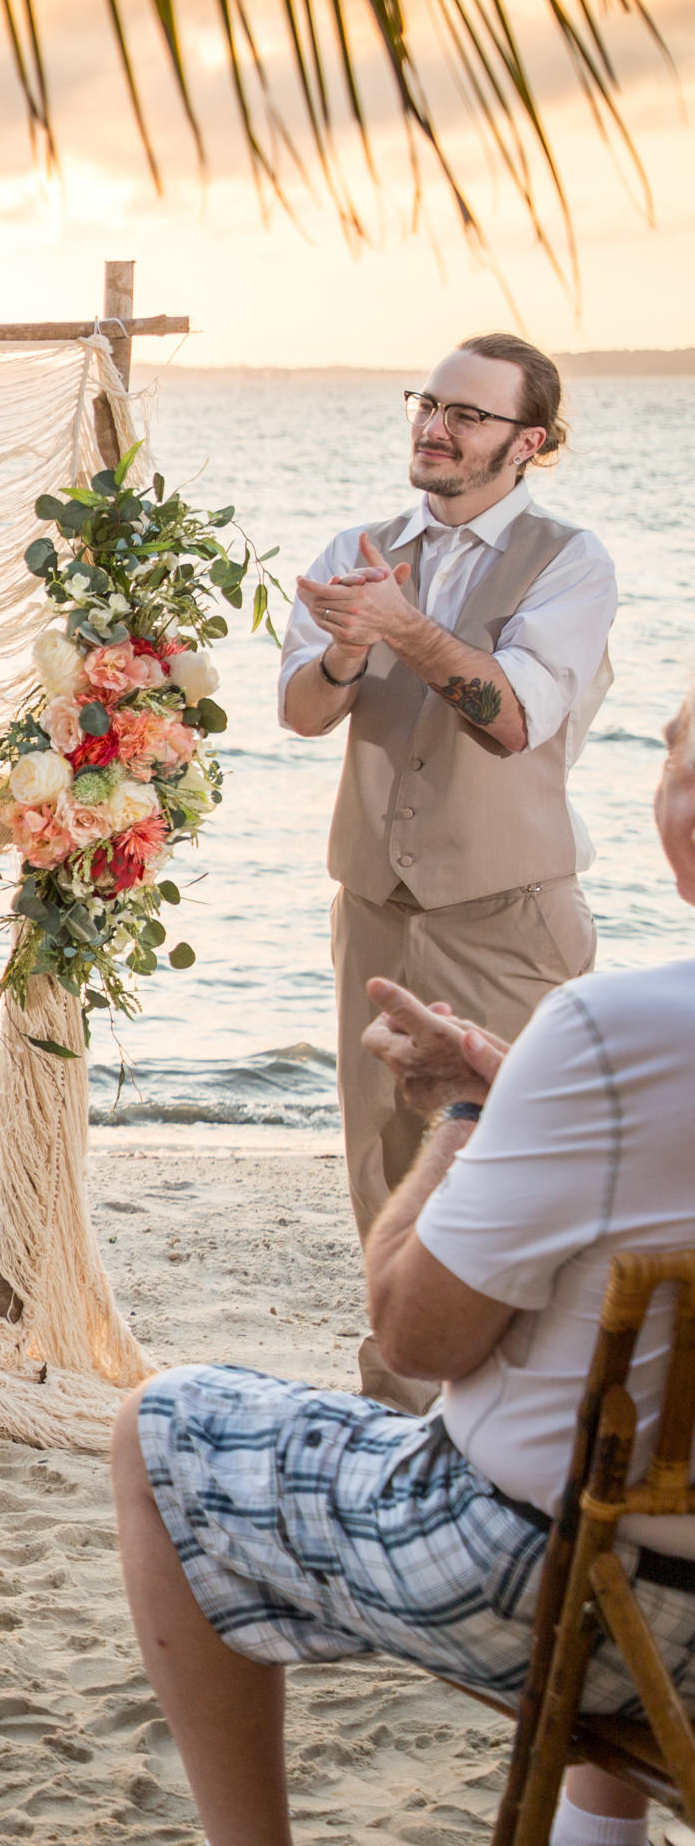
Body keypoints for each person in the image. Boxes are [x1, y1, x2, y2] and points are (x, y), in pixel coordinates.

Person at [115, 677, 695, 1846]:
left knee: (162, 1429)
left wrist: (474, 1111)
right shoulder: (599, 1048)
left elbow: (414, 1335)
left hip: (554, 1590)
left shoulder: (609, 1032)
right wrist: (521, 1079)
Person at [278, 332, 616, 1410]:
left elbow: (512, 718)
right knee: (382, 1179)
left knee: (524, 1172)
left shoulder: (571, 563)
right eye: (431, 401)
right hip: (376, 915)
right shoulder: (357, 546)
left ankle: (522, 1425)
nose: (437, 424)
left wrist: (401, 627)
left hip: (508, 920)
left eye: (470, 414)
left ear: (534, 443)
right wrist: (340, 649)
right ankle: (393, 1417)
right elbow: (297, 712)